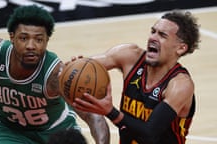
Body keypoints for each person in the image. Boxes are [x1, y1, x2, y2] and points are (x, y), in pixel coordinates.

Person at [0, 5, 110, 144]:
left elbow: (94, 116)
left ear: (47, 40)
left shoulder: (56, 75)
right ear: (12, 37)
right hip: (8, 130)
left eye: (38, 39)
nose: (31, 46)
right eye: (23, 38)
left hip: (55, 130)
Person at [72, 11, 199, 144]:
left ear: (181, 48)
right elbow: (87, 66)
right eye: (153, 31)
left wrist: (111, 112)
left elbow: (149, 135)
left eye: (162, 35)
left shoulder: (180, 85)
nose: (153, 38)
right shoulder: (130, 56)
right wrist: (77, 67)